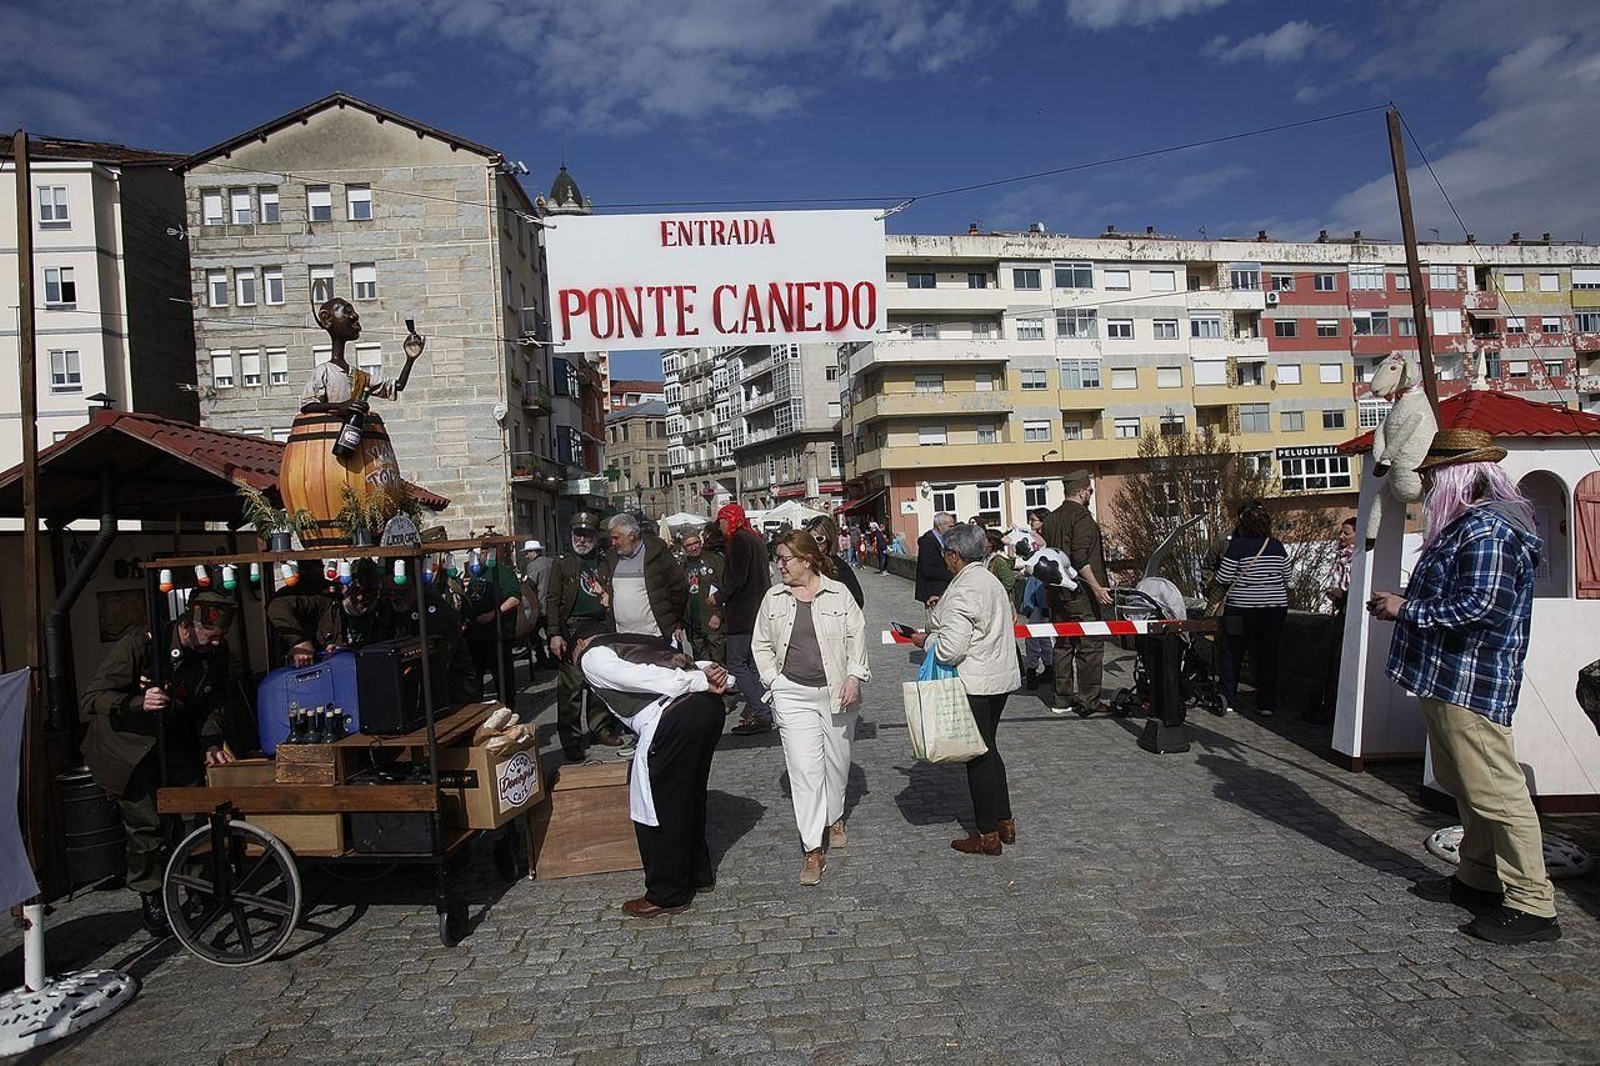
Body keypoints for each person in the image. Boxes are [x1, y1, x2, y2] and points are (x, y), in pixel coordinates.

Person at [1368, 429, 1559, 945]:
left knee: (1497, 793)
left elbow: (1481, 608)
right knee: (1468, 785)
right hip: (1449, 677)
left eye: (1432, 477)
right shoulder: (1469, 527)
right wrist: (1407, 597)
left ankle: (1532, 903)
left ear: (1458, 476)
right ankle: (1478, 877)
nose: (1428, 487)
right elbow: (1462, 593)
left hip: (1472, 680)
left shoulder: (1488, 531)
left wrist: (1405, 608)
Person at [80, 592, 240, 935]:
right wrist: (139, 702)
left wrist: (212, 741)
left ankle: (201, 887)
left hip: (174, 741)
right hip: (127, 749)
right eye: (211, 635)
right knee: (146, 826)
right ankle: (151, 895)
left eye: (220, 636)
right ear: (187, 627)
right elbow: (93, 698)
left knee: (196, 812)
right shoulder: (140, 644)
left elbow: (213, 700)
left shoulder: (216, 652)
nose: (217, 641)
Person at [573, 622, 728, 918]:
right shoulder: (636, 643)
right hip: (704, 710)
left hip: (673, 714)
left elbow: (640, 676)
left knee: (657, 806)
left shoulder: (592, 655)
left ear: (580, 642)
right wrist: (705, 675)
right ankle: (698, 874)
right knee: (689, 795)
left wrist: (695, 680)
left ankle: (667, 893)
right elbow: (679, 662)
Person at [753, 531, 870, 885]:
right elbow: (760, 644)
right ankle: (812, 849)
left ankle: (835, 815)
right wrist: (774, 681)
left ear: (806, 560)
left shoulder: (839, 593)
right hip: (792, 694)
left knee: (837, 762)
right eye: (777, 558)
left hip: (837, 693)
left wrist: (854, 676)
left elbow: (856, 637)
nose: (779, 565)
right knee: (804, 770)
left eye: (785, 558)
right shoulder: (774, 598)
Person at [909, 524, 1021, 856]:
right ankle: (1004, 821)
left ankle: (987, 834)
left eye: (945, 553)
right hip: (999, 677)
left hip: (975, 681)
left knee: (978, 756)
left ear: (955, 555)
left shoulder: (963, 590)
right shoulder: (990, 580)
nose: (943, 558)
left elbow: (950, 650)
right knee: (990, 748)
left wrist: (925, 640)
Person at [546, 512, 624, 759]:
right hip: (572, 629)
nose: (581, 539)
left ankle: (599, 728)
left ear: (594, 537)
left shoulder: (605, 561)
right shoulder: (561, 563)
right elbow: (552, 600)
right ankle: (571, 740)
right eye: (577, 534)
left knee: (599, 683)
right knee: (570, 688)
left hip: (600, 627)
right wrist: (554, 633)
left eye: (586, 535)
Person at [1040, 470, 1114, 716]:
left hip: (1055, 592)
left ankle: (1062, 699)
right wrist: (1097, 587)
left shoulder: (1051, 519)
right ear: (1083, 491)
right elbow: (1080, 558)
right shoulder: (1082, 519)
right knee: (1089, 646)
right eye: (1090, 491)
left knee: (1062, 644)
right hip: (1081, 593)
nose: (1090, 494)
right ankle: (1089, 700)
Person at [1209, 502, 1290, 718]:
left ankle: (1228, 699)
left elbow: (1223, 578)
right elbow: (1289, 579)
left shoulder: (1237, 546)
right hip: (1274, 609)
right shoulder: (1276, 546)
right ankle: (1266, 704)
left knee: (1231, 653)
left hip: (1241, 608)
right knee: (1267, 655)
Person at [298, 297, 422, 413]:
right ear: (327, 319)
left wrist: (410, 359)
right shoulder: (324, 371)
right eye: (347, 311)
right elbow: (307, 406)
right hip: (330, 432)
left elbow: (398, 386)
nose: (354, 316)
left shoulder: (359, 377)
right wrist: (340, 406)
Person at [720, 503, 776, 736]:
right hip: (758, 611)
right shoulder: (754, 538)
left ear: (730, 519)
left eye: (722, 520)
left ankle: (762, 713)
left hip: (744, 613)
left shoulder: (740, 540)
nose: (720, 525)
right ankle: (762, 709)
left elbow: (737, 578)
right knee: (753, 665)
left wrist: (718, 595)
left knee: (736, 663)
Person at [602, 512, 688, 646]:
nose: (613, 543)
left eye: (616, 538)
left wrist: (673, 622)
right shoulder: (611, 558)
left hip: (655, 636)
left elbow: (678, 589)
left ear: (632, 535)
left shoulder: (657, 555)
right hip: (622, 638)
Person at [1311, 517, 1357, 722]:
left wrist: (1342, 595)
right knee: (1325, 657)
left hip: (1351, 614)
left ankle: (1331, 706)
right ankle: (1322, 704)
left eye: (1346, 533)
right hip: (1341, 612)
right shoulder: (1341, 557)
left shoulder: (1358, 557)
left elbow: (1357, 589)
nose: (1341, 537)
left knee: (1335, 660)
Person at [463, 550, 521, 702]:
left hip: (497, 634)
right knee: (475, 677)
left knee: (501, 676)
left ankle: (507, 707)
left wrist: (492, 615)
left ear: (486, 553)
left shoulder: (503, 573)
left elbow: (514, 598)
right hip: (476, 635)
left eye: (478, 553)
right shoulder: (476, 573)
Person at [680, 529, 726, 664]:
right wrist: (680, 623)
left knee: (719, 665)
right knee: (701, 666)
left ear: (701, 543)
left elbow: (726, 588)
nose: (693, 547)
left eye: (696, 543)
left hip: (712, 622)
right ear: (684, 548)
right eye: (689, 545)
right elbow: (680, 595)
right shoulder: (683, 565)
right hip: (693, 625)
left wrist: (719, 614)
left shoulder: (715, 560)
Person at [806, 514, 864, 607]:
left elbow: (857, 600)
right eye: (809, 539)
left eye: (819, 539)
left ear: (828, 539)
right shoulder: (803, 563)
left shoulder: (840, 567)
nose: (814, 544)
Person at [522, 539, 554, 671]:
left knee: (533, 633)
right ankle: (554, 659)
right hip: (552, 602)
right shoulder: (551, 562)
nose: (526, 556)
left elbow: (530, 584)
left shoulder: (534, 566)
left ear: (534, 552)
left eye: (527, 552)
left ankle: (541, 659)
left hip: (540, 604)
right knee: (551, 632)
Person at [915, 512, 956, 608]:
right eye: (950, 527)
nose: (952, 530)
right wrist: (952, 575)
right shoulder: (927, 541)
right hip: (933, 591)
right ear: (940, 526)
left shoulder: (945, 540)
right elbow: (928, 569)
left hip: (943, 590)